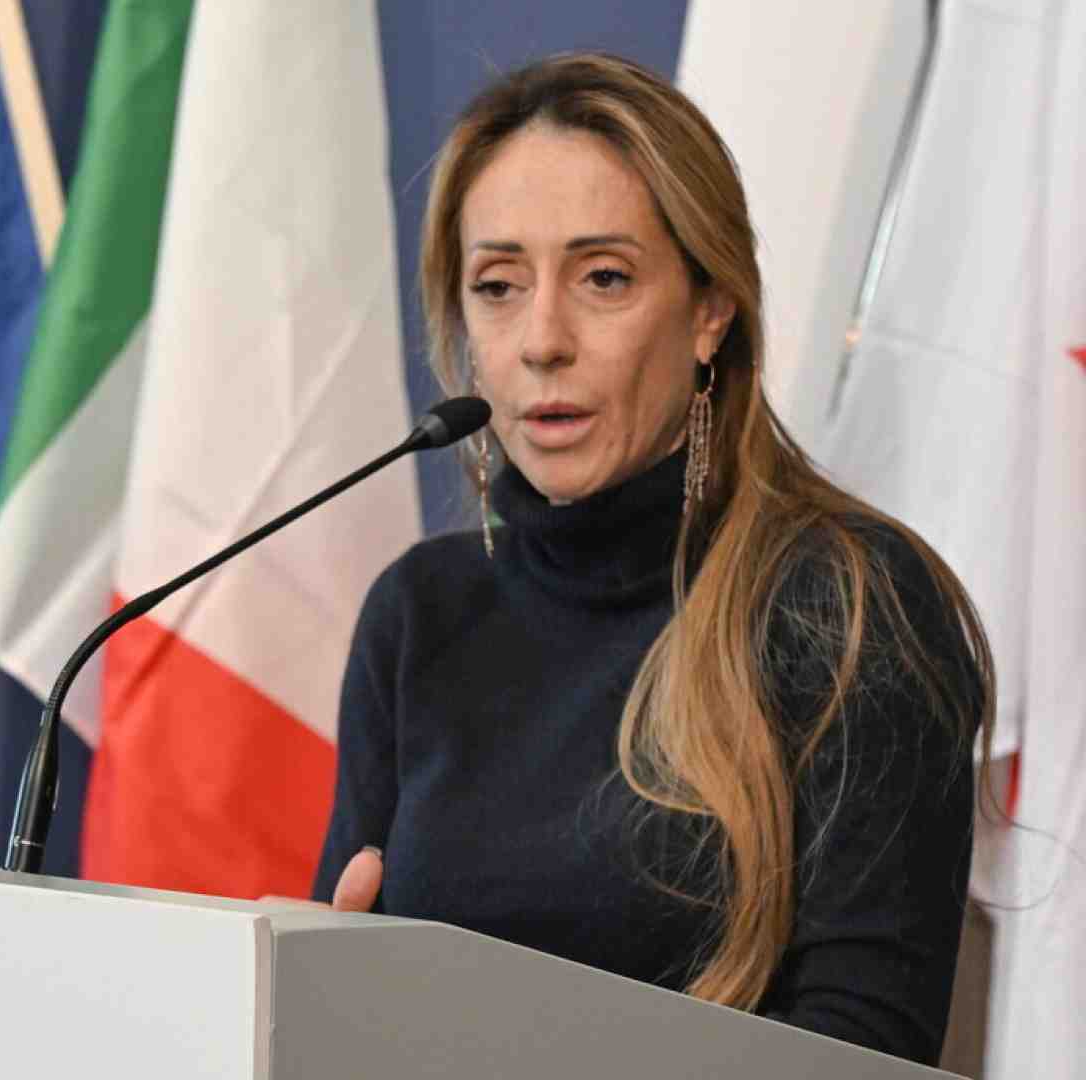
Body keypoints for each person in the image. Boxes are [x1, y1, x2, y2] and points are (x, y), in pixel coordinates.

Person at [312, 53, 993, 1067]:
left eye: (604, 278)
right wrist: (326, 999)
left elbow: (862, 1051)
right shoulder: (420, 611)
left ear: (710, 311)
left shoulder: (853, 606)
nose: (543, 340)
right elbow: (347, 996)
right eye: (498, 286)